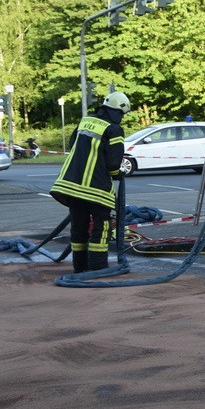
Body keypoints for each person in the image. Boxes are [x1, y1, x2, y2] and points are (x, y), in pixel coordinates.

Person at [50, 91, 130, 273]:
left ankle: (79, 266)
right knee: (102, 228)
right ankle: (98, 266)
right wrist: (118, 174)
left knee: (79, 227)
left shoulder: (85, 121)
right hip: (96, 188)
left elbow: (73, 145)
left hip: (70, 186)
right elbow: (113, 162)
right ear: (119, 111)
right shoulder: (114, 129)